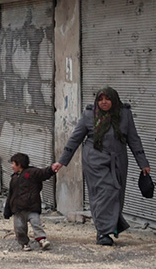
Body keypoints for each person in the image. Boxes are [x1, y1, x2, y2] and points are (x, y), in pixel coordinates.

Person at [52, 86, 150, 246]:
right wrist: (62, 161)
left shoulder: (124, 114)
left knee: (116, 193)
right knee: (104, 193)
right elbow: (75, 139)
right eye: (101, 99)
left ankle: (112, 226)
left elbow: (133, 139)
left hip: (118, 160)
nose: (104, 102)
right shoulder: (90, 115)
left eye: (108, 99)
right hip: (95, 160)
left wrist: (143, 163)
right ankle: (103, 232)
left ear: (114, 100)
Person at [4, 153, 55, 251]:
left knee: (36, 224)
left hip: (32, 207)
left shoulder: (32, 173)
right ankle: (24, 243)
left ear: (19, 164)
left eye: (13, 164)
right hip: (18, 210)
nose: (12, 166)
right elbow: (10, 195)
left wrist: (52, 169)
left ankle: (42, 240)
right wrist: (7, 210)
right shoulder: (14, 178)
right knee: (19, 228)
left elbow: (44, 173)